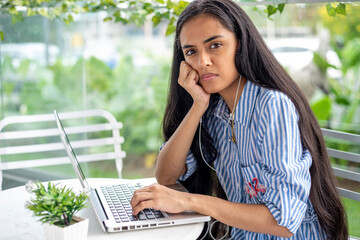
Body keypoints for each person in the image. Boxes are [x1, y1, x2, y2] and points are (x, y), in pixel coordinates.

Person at [130, 0, 348, 239]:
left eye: (215, 45)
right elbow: (166, 176)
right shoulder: (212, 110)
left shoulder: (271, 106)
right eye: (191, 51)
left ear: (240, 44)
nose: (202, 62)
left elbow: (283, 221)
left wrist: (188, 200)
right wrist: (198, 106)